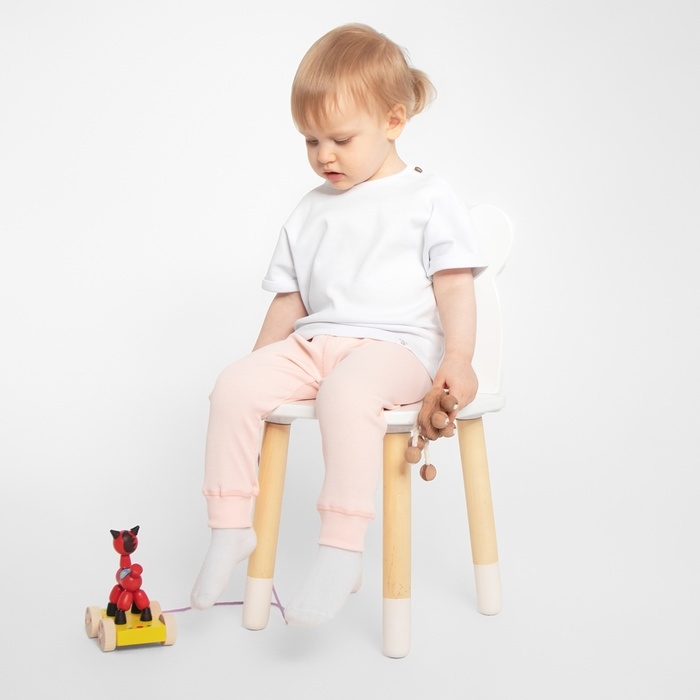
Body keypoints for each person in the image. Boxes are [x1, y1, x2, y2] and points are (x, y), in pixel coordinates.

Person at [190, 23, 488, 627]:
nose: (324, 155)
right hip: (316, 343)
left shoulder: (428, 197)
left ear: (394, 121)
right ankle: (229, 527)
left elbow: (455, 286)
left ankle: (341, 549)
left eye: (341, 139)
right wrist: (257, 362)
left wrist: (458, 358)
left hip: (396, 350)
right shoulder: (310, 209)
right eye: (311, 140)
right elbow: (291, 299)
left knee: (345, 393)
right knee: (232, 386)